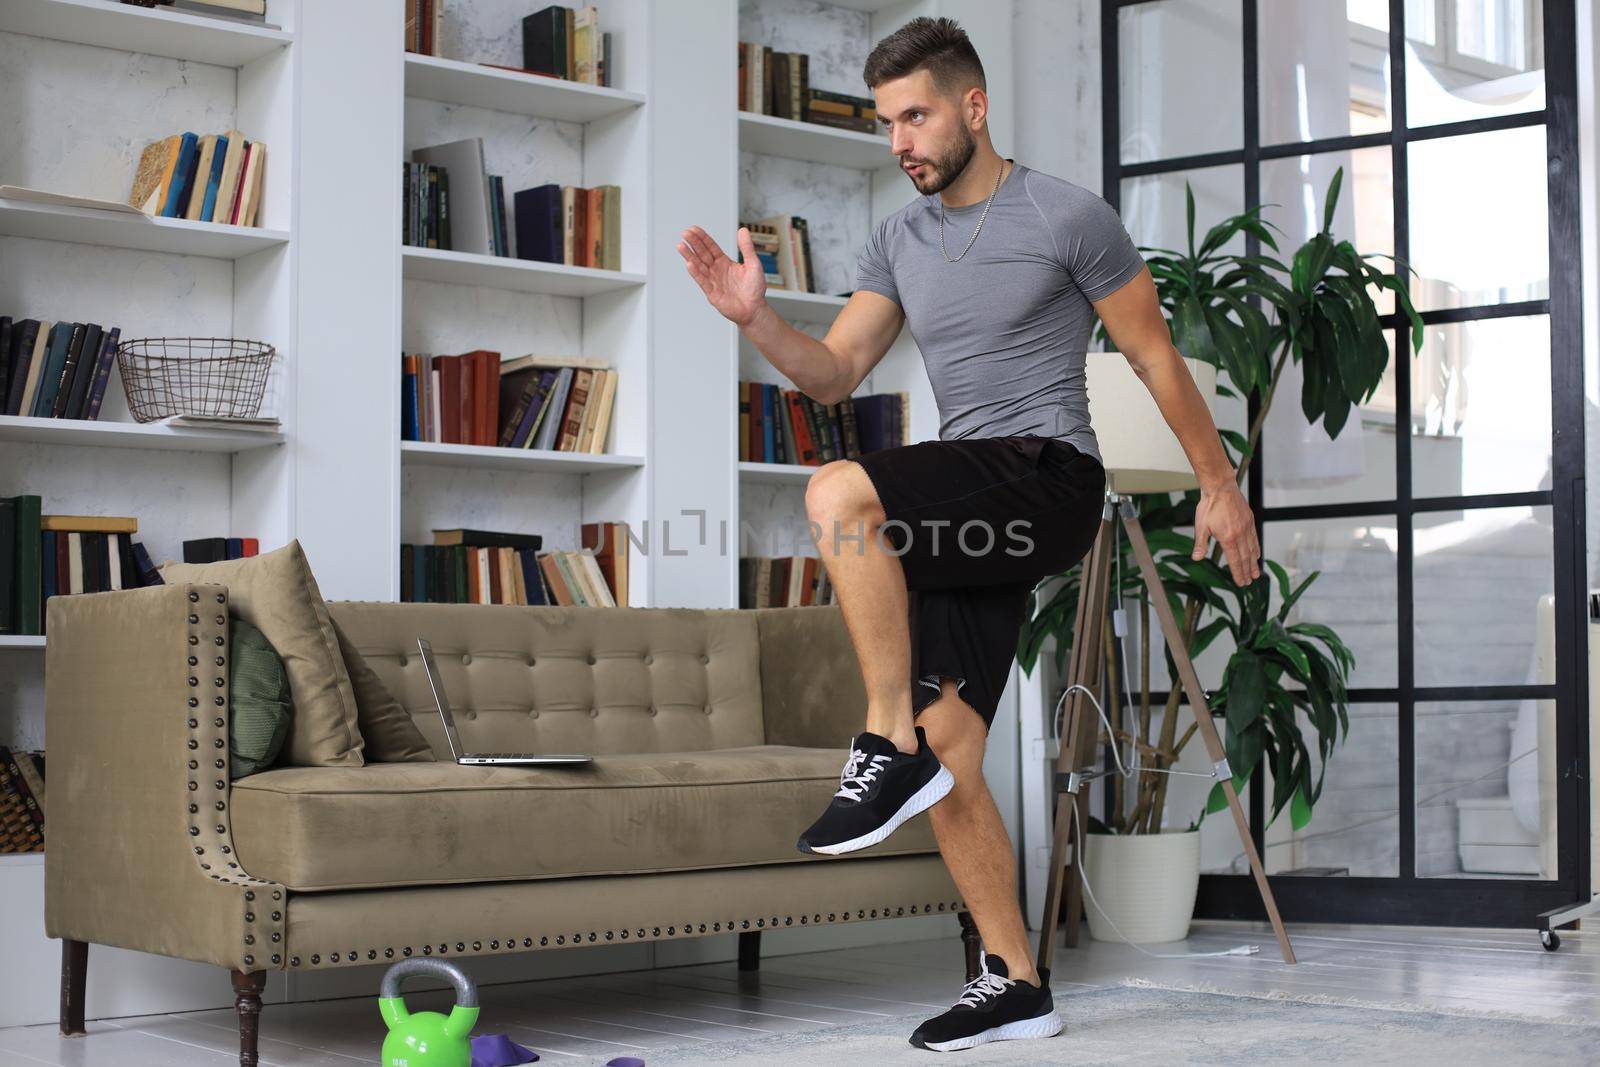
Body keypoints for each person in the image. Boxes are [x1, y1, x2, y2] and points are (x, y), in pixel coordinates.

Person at [677, 14, 1261, 1055]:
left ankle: (879, 742)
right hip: (971, 499)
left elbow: (1155, 357)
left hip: (1050, 477)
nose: (898, 140)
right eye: (885, 123)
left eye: (915, 115)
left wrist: (1219, 484)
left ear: (971, 108)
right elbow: (833, 372)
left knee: (836, 496)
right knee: (954, 749)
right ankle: (1013, 978)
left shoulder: (1065, 215)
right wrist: (754, 320)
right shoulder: (898, 237)